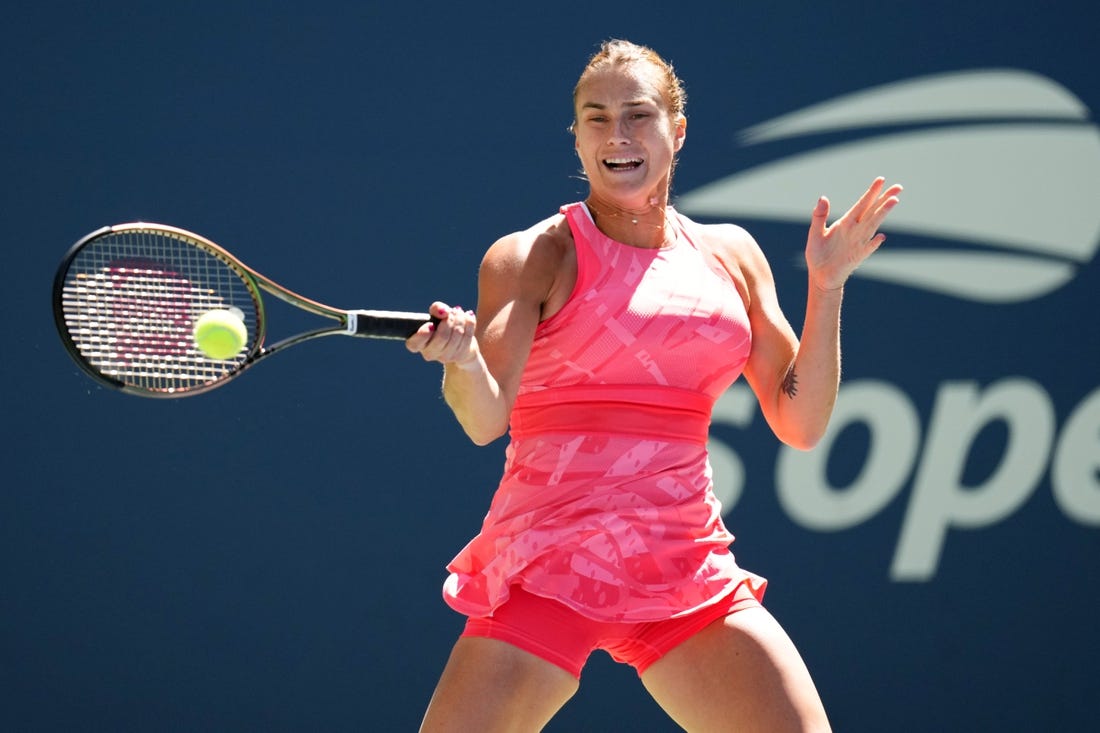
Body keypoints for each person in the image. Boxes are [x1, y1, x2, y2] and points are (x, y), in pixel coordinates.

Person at [406, 39, 902, 733]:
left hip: (684, 568)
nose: (618, 136)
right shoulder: (534, 256)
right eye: (596, 117)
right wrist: (460, 360)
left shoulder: (732, 257)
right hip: (550, 564)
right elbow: (486, 415)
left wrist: (827, 287)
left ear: (678, 129)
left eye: (637, 115)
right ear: (576, 138)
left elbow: (801, 420)